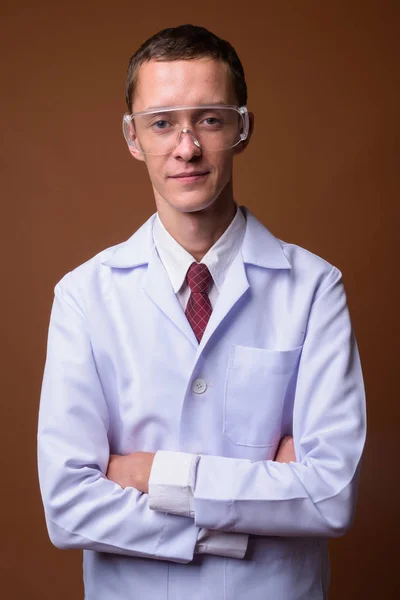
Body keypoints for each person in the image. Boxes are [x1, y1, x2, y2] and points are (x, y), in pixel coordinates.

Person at [37, 24, 366, 600]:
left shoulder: (314, 288)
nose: (186, 147)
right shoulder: (84, 296)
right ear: (133, 137)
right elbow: (68, 507)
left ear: (243, 128)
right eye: (162, 122)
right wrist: (252, 510)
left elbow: (330, 496)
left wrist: (149, 476)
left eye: (209, 119)